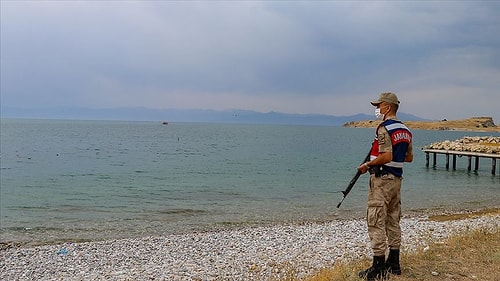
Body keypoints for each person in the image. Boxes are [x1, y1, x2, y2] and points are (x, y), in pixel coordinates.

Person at [357, 92, 413, 280]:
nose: (377, 109)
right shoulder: (405, 130)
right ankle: (394, 262)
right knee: (393, 218)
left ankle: (378, 266)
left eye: (379, 105)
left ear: (388, 107)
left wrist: (368, 165)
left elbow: (386, 155)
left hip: (381, 179)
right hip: (397, 181)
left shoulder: (384, 128)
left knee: (375, 219)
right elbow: (409, 157)